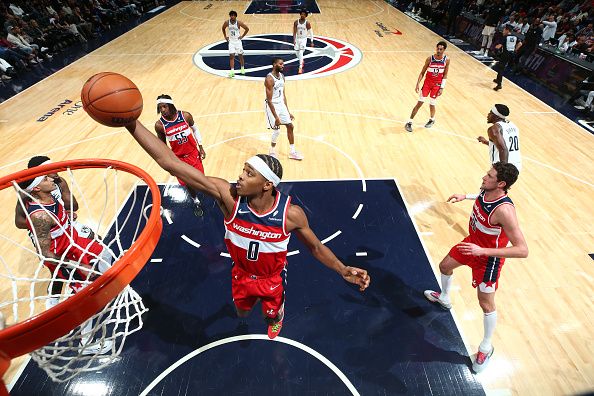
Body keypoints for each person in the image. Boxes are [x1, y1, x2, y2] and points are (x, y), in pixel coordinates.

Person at [124, 119, 371, 339]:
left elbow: (316, 247)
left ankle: (278, 313)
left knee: (270, 317)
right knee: (242, 313)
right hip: (241, 274)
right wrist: (130, 123)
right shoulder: (228, 198)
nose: (240, 176)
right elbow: (170, 163)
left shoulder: (290, 215)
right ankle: (260, 309)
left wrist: (342, 269)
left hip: (271, 278)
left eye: (248, 173)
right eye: (243, 169)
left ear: (266, 185)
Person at [424, 162, 528, 373]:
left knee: (486, 304)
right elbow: (481, 196)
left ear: (501, 184)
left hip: (488, 260)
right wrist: (466, 196)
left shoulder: (505, 211)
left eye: (489, 176)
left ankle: (485, 348)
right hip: (472, 244)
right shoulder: (485, 190)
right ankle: (444, 298)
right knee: (444, 266)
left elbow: (522, 250)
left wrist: (483, 252)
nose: (483, 177)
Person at [155, 94, 206, 217]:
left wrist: (201, 146)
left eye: (164, 107)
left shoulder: (185, 116)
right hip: (178, 159)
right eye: (160, 107)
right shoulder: (160, 125)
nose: (162, 110)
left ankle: (205, 192)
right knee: (188, 182)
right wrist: (169, 164)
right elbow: (162, 146)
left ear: (171, 106)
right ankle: (196, 201)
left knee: (200, 178)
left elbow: (195, 129)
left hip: (193, 154)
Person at [405, 41, 450, 132]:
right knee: (420, 103)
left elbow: (445, 75)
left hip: (437, 85)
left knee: (432, 103)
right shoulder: (430, 58)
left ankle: (432, 120)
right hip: (427, 84)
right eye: (437, 48)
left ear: (444, 50)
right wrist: (418, 83)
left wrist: (442, 87)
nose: (438, 50)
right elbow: (422, 72)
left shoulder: (447, 60)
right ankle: (409, 122)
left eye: (441, 49)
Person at [265, 57, 303, 160]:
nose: (283, 66)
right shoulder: (269, 79)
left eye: (283, 64)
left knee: (290, 126)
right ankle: (272, 150)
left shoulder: (282, 76)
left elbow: (283, 95)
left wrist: (288, 111)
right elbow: (269, 100)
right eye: (280, 64)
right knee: (277, 131)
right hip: (273, 106)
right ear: (274, 64)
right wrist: (276, 117)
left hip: (281, 104)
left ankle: (292, 152)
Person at [477, 104, 522, 172]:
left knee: (487, 181)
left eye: (490, 113)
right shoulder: (512, 125)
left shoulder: (494, 129)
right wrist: (486, 142)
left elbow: (503, 150)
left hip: (504, 165)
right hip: (516, 166)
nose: (488, 115)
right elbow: (505, 144)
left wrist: (503, 170)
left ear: (496, 116)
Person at [492, 25, 522, 91]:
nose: (503, 31)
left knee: (501, 68)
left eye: (504, 30)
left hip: (505, 54)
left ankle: (499, 84)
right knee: (501, 66)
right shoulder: (515, 37)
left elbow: (499, 46)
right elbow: (520, 44)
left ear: (507, 30)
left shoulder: (505, 37)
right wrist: (515, 50)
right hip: (511, 54)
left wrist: (494, 49)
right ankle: (497, 79)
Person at [222, 10, 249, 78]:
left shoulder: (239, 22)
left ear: (236, 16)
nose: (233, 16)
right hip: (231, 41)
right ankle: (232, 71)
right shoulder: (227, 22)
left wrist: (242, 36)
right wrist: (225, 36)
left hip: (237, 41)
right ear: (230, 16)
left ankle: (242, 68)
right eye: (231, 15)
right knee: (231, 56)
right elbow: (223, 28)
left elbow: (247, 29)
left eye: (234, 15)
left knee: (240, 55)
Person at [293, 10, 314, 74]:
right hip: (297, 38)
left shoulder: (307, 23)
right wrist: (294, 39)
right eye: (301, 14)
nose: (302, 15)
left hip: (304, 39)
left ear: (306, 16)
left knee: (301, 51)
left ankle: (300, 67)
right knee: (296, 52)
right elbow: (294, 32)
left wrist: (312, 41)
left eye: (304, 14)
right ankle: (301, 60)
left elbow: (311, 32)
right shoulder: (296, 22)